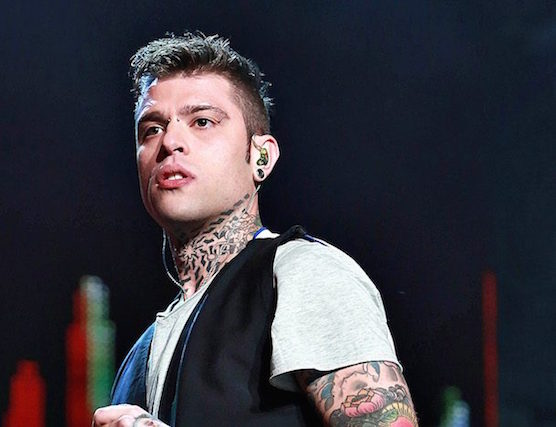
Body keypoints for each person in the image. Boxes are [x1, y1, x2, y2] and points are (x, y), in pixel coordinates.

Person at [93, 32, 417, 427]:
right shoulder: (138, 357)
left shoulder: (302, 272)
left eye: (202, 122)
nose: (171, 141)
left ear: (260, 156)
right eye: (151, 129)